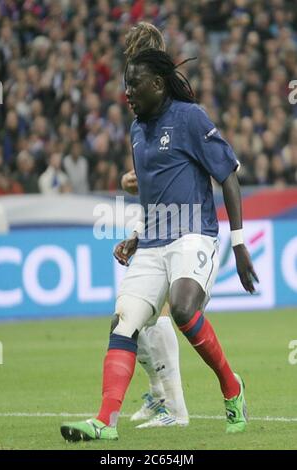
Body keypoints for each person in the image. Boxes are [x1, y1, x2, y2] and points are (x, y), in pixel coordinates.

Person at [60, 48, 258, 442]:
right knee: (124, 321)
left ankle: (231, 387)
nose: (127, 92)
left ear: (157, 84)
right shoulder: (137, 129)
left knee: (183, 309)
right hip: (152, 241)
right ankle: (105, 422)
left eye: (134, 84)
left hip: (194, 234)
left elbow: (229, 177)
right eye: (125, 85)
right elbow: (153, 196)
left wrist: (238, 245)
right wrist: (136, 237)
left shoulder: (190, 118)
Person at [122, 22, 189, 428]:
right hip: (156, 224)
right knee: (130, 320)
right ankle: (161, 397)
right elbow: (150, 176)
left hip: (184, 226)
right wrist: (129, 182)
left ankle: (174, 408)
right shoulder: (143, 107)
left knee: (160, 314)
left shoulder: (176, 108)